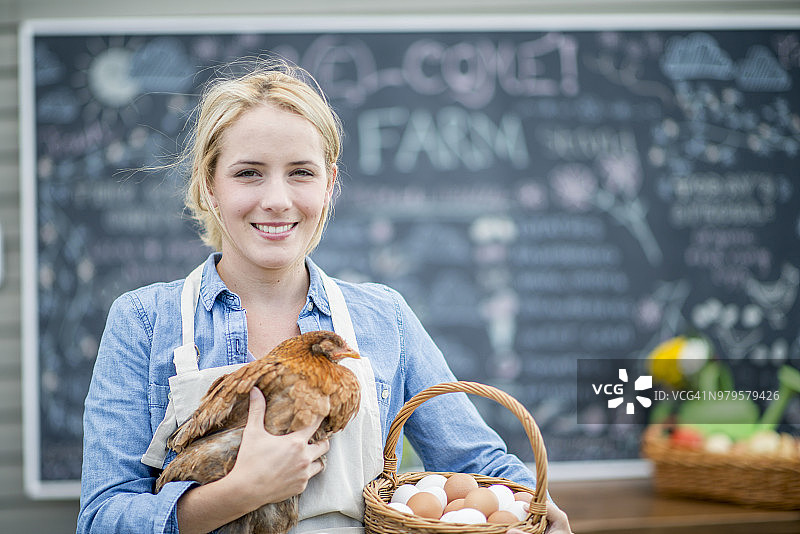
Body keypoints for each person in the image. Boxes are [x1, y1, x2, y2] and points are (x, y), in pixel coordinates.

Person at [77, 58, 572, 534]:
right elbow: (101, 520)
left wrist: (533, 504)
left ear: (330, 185)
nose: (277, 199)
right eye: (248, 172)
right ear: (209, 185)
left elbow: (474, 463)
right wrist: (241, 492)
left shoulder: (383, 318)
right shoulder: (145, 321)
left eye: (301, 172)